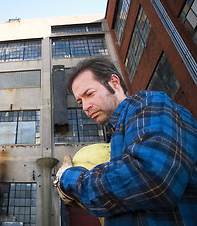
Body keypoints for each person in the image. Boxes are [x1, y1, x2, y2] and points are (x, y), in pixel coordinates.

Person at [54, 57, 197, 225]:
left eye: (89, 94)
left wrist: (67, 179)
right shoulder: (116, 135)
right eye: (80, 101)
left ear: (114, 83)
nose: (85, 107)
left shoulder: (148, 103)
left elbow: (152, 179)